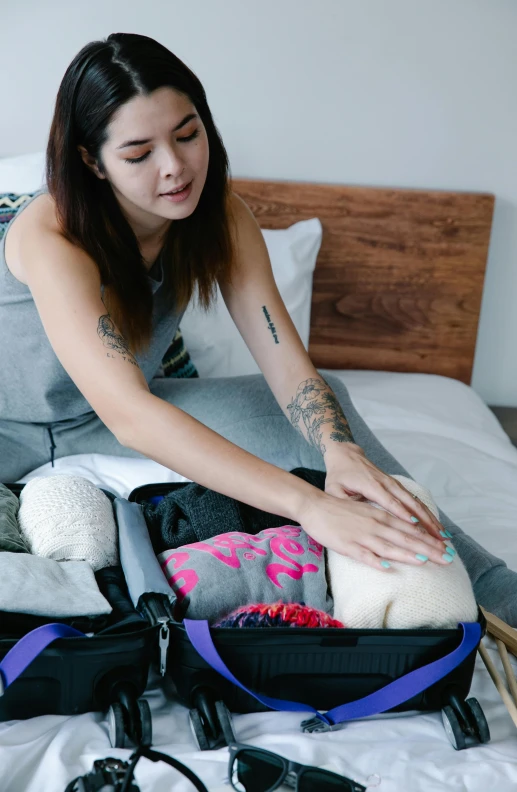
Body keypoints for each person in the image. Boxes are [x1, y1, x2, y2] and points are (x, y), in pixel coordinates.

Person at [0, 33, 514, 622]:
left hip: (95, 422)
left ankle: (491, 583)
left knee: (329, 406)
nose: (174, 169)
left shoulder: (220, 216)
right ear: (92, 161)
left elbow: (288, 367)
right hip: (17, 424)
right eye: (139, 154)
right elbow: (132, 415)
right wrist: (309, 505)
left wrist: (337, 449)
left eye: (188, 135)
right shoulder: (54, 235)